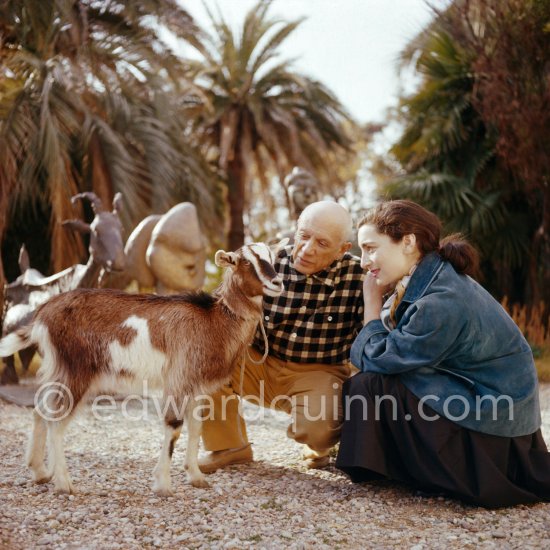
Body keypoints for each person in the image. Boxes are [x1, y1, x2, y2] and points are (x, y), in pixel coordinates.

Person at [336, 199, 550, 508]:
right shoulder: (430, 279)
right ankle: (390, 465)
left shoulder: (440, 300)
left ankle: (393, 467)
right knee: (375, 382)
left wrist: (370, 305)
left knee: (371, 383)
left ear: (408, 242)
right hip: (493, 408)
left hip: (492, 422)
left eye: (370, 248)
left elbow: (380, 358)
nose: (363, 262)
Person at [199, 201, 364, 472]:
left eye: (322, 243)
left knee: (318, 430)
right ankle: (230, 447)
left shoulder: (360, 277)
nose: (308, 249)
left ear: (342, 249)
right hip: (259, 363)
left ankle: (318, 444)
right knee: (206, 358)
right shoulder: (266, 263)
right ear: (295, 230)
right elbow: (218, 314)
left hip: (318, 371)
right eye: (304, 236)